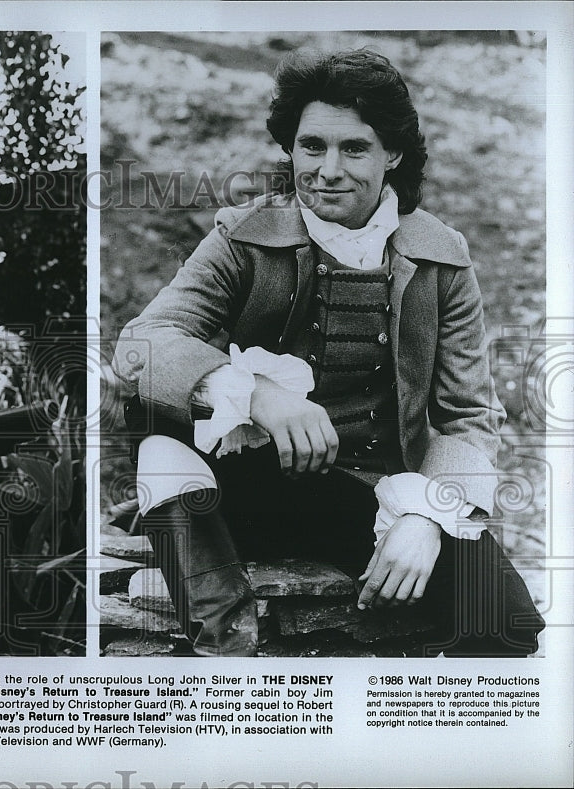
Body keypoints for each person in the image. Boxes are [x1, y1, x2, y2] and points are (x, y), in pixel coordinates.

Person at [113, 49, 544, 657]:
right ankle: (222, 640)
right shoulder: (244, 237)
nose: (327, 170)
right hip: (249, 489)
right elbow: (142, 343)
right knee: (154, 418)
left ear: (393, 154)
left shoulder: (442, 257)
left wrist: (426, 516)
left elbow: (468, 417)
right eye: (311, 146)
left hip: (368, 496)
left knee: (508, 623)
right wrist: (259, 395)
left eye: (355, 148)